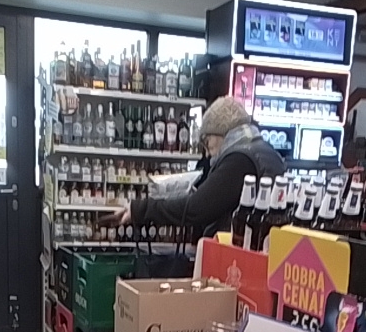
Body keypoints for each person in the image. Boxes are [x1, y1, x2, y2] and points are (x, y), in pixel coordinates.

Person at [103, 97, 286, 239]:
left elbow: (196, 209)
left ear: (220, 133)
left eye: (207, 141)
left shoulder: (239, 159)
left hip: (237, 256)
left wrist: (142, 209)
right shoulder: (266, 152)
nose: (207, 152)